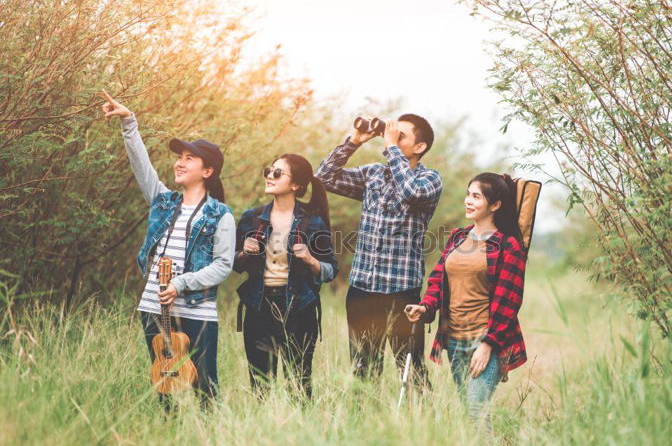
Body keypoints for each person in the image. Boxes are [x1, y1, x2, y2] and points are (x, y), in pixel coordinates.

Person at [100, 90, 236, 408]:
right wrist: (129, 122)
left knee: (205, 388)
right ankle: (167, 442)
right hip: (153, 308)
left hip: (197, 312)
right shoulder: (164, 202)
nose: (179, 162)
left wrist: (180, 283)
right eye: (179, 157)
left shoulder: (220, 214)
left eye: (190, 158)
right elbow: (142, 168)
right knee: (165, 386)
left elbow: (223, 266)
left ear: (208, 171)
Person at [316, 115, 442, 385]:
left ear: (419, 147)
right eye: (391, 133)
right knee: (363, 370)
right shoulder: (373, 173)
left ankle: (419, 422)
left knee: (410, 371)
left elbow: (411, 193)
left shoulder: (429, 179)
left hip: (402, 292)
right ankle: (365, 422)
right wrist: (354, 142)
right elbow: (322, 179)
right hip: (363, 289)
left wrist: (391, 147)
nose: (392, 139)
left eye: (401, 136)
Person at [405, 172, 528, 436]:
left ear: (495, 205)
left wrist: (488, 344)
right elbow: (439, 278)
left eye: (476, 196)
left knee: (475, 412)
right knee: (470, 414)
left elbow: (510, 298)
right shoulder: (458, 237)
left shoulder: (508, 246)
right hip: (455, 339)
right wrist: (425, 307)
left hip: (487, 340)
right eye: (468, 194)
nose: (468, 201)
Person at [234, 154, 338, 400]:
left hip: (300, 309)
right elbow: (233, 265)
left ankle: (300, 434)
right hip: (259, 308)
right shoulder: (251, 218)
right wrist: (244, 253)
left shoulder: (313, 222)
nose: (270, 175)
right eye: (269, 170)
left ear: (296, 185)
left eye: (278, 172)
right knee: (260, 386)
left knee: (299, 386)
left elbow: (331, 270)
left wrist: (311, 260)